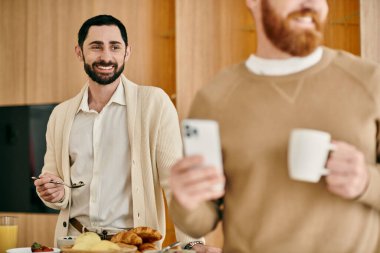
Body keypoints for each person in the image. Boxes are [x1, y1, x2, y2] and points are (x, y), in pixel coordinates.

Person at [168, 0, 380, 252]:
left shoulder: (371, 82)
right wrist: (184, 199)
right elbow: (201, 221)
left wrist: (367, 182)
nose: (311, 4)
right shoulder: (214, 99)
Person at [34, 14, 220, 253]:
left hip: (134, 246)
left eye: (115, 47)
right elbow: (54, 185)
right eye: (96, 46)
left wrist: (193, 242)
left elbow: (175, 183)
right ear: (79, 52)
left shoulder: (154, 103)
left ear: (127, 52)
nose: (106, 56)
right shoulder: (61, 115)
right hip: (74, 244)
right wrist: (53, 192)